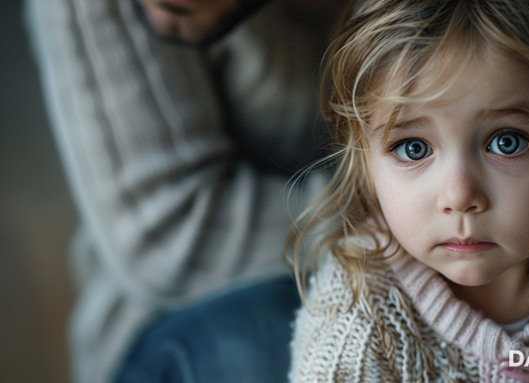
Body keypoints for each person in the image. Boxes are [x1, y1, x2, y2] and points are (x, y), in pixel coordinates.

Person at [288, 0, 529, 381]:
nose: (459, 196)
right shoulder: (353, 312)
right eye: (414, 148)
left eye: (507, 142)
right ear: (365, 164)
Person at [25, 0, 344, 382]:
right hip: (175, 314)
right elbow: (170, 231)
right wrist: (393, 216)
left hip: (392, 244)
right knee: (264, 346)